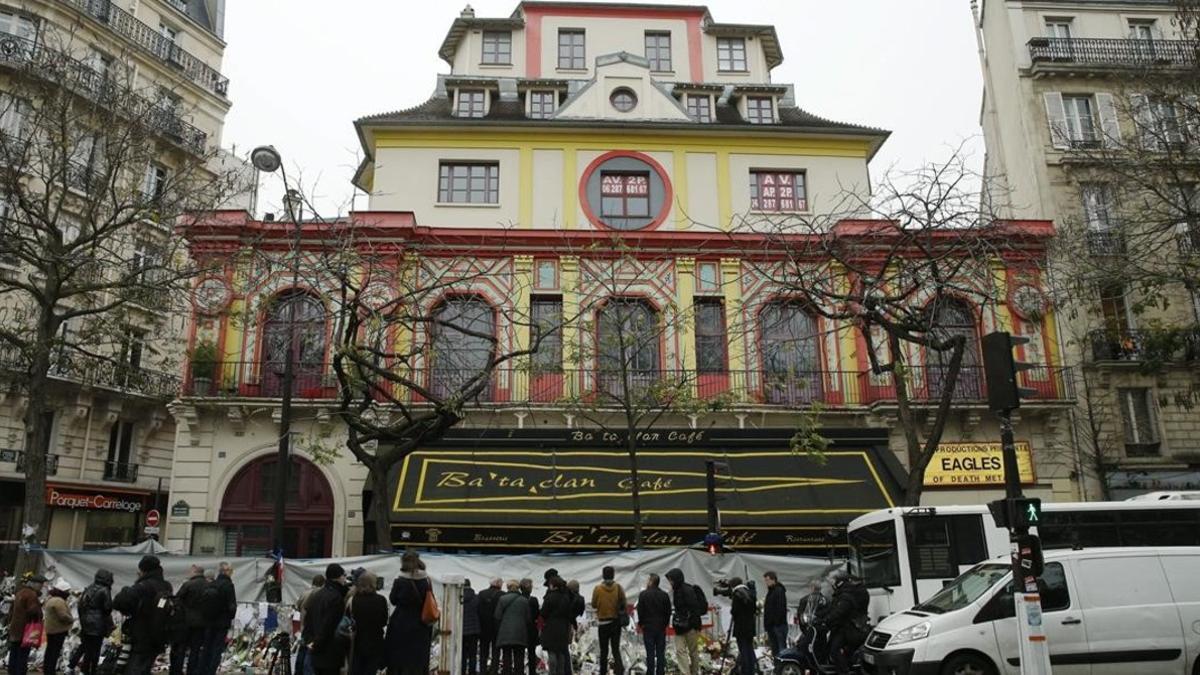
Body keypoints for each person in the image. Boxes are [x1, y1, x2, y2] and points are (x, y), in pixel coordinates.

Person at [112, 555, 174, 675]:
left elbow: (120, 602)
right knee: (146, 665)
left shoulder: (143, 586)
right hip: (159, 633)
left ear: (143, 570)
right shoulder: (166, 586)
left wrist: (126, 589)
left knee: (135, 667)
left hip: (141, 633)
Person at [386, 550, 434, 675]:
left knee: (400, 655)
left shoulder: (400, 581)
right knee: (418, 655)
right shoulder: (426, 581)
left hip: (401, 622)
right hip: (421, 622)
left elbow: (393, 600)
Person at [819, 571, 869, 675]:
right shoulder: (840, 593)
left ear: (839, 582)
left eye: (833, 581)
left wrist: (826, 620)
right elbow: (832, 608)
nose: (831, 583)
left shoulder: (845, 595)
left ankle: (844, 671)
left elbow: (839, 611)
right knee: (829, 646)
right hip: (841, 626)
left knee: (834, 649)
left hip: (847, 627)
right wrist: (819, 614)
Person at [306, 564, 350, 675]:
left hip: (317, 649)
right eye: (344, 575)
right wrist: (317, 642)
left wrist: (310, 640)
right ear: (338, 577)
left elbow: (309, 619)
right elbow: (330, 624)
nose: (345, 578)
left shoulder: (317, 594)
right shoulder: (336, 597)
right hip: (330, 650)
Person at [199, 562, 236, 675]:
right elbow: (232, 605)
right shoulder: (228, 585)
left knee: (207, 647)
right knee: (217, 648)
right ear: (226, 572)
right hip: (222, 623)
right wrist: (230, 617)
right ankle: (211, 671)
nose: (232, 573)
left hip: (209, 622)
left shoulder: (212, 584)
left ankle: (202, 670)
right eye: (231, 571)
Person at [348, 570, 388, 675]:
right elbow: (384, 621)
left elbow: (347, 619)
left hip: (357, 641)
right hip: (375, 641)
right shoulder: (381, 600)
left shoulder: (353, 600)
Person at [75, 569, 115, 675]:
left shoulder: (89, 588)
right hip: (98, 623)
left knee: (87, 649)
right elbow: (108, 607)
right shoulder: (105, 590)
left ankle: (84, 670)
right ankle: (93, 670)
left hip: (86, 622)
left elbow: (80, 605)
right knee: (96, 649)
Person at [665, 568, 704, 675]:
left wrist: (693, 624)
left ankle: (694, 672)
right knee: (680, 650)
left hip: (690, 626)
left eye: (671, 579)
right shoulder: (676, 590)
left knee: (692, 652)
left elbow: (694, 608)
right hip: (680, 626)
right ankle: (685, 672)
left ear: (676, 579)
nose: (670, 582)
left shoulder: (687, 590)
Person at [171, 565, 208, 675]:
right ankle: (192, 671)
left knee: (181, 648)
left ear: (195, 572)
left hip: (186, 622)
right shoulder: (208, 585)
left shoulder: (188, 585)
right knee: (195, 650)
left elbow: (177, 599)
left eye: (190, 571)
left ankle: (177, 670)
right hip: (202, 623)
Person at [590, 566, 626, 675]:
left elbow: (593, 604)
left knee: (603, 651)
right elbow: (623, 602)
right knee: (616, 649)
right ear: (613, 575)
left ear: (603, 575)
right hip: (616, 623)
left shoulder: (598, 589)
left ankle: (602, 672)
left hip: (603, 623)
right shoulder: (618, 588)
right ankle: (619, 671)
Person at [6, 573, 44, 675]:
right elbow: (33, 611)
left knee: (14, 653)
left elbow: (11, 610)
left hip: (15, 628)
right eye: (41, 584)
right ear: (36, 584)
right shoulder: (32, 595)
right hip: (25, 630)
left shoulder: (20, 592)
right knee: (23, 655)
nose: (42, 587)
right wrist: (40, 609)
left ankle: (12, 672)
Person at [635, 574, 670, 675]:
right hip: (660, 627)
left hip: (648, 627)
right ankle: (660, 672)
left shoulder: (643, 594)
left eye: (648, 580)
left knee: (650, 652)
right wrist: (665, 624)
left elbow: (640, 611)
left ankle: (650, 672)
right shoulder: (664, 595)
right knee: (660, 652)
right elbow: (668, 612)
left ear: (651, 582)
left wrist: (641, 623)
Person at [538, 577, 573, 675]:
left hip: (551, 627)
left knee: (552, 652)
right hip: (563, 627)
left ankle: (552, 672)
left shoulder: (549, 597)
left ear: (552, 585)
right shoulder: (566, 597)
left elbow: (543, 613)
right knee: (561, 652)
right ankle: (561, 672)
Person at [493, 580, 529, 675]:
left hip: (505, 633)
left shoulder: (502, 599)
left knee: (506, 658)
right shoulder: (524, 600)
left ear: (507, 587)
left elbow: (497, 616)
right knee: (519, 658)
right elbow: (528, 618)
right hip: (520, 633)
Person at [295, 575, 325, 675]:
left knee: (302, 652)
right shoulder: (320, 594)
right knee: (309, 655)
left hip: (303, 626)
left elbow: (298, 607)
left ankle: (298, 672)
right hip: (313, 628)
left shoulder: (304, 593)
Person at [43, 581, 74, 675]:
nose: (68, 593)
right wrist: (71, 619)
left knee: (49, 651)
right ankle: (50, 671)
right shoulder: (59, 601)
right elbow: (63, 615)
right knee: (54, 652)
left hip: (51, 629)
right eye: (67, 591)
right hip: (58, 630)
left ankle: (47, 670)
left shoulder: (51, 599)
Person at [728, 578, 757, 675]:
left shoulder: (737, 594)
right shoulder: (750, 592)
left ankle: (746, 671)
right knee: (749, 649)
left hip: (741, 627)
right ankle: (752, 669)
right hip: (750, 626)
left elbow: (734, 611)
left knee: (743, 650)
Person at [477, 578, 503, 675]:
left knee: (483, 651)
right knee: (496, 651)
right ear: (499, 584)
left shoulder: (481, 593)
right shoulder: (502, 595)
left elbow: (478, 609)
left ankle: (482, 670)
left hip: (483, 626)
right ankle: (494, 670)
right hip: (496, 627)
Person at [762, 571, 788, 663]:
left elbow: (780, 608)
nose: (766, 582)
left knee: (781, 648)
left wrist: (776, 622)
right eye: (765, 580)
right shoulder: (772, 591)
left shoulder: (779, 591)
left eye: (767, 580)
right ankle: (777, 666)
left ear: (773, 579)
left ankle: (782, 666)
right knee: (775, 648)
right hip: (772, 625)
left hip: (778, 625)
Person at [519, 579, 539, 675]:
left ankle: (519, 671)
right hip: (531, 629)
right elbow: (537, 615)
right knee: (532, 653)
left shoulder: (518, 599)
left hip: (520, 629)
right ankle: (532, 672)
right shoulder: (533, 600)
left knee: (520, 653)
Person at [462, 579, 481, 675]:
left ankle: (462, 671)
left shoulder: (459, 598)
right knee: (473, 654)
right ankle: (472, 672)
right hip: (474, 630)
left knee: (463, 654)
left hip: (462, 630)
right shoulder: (476, 598)